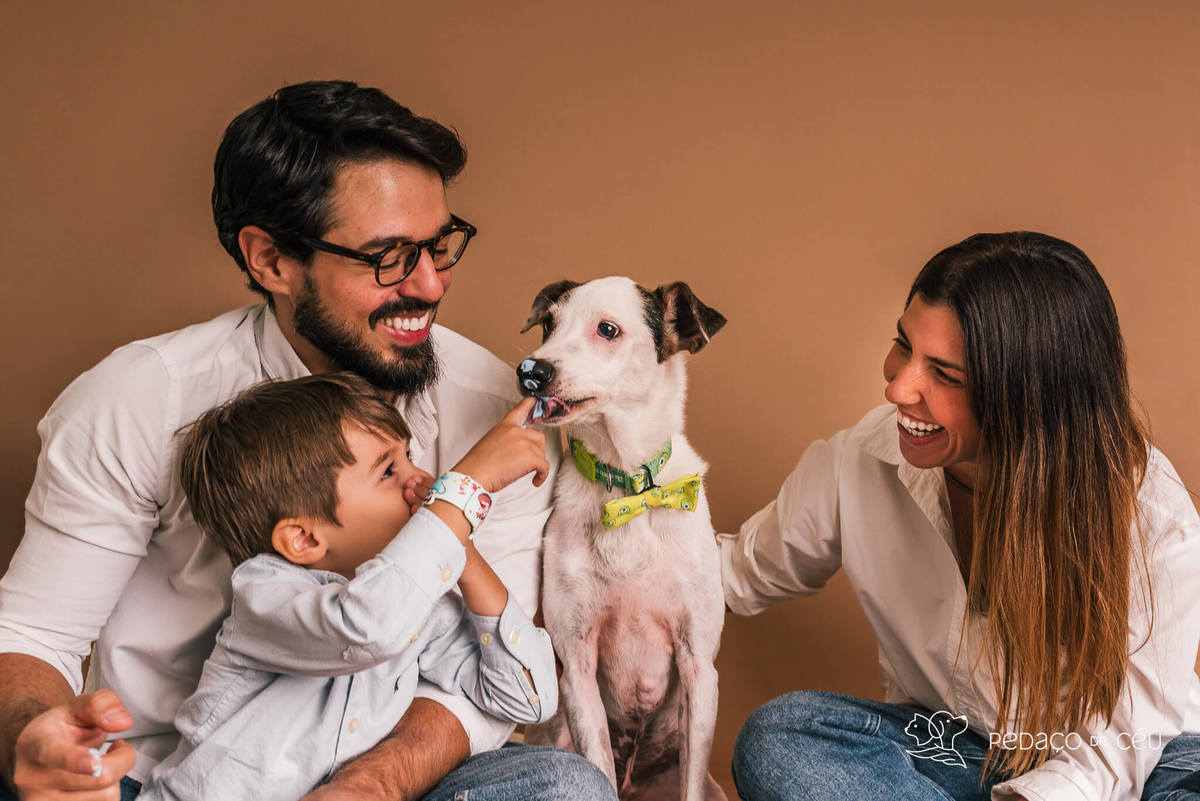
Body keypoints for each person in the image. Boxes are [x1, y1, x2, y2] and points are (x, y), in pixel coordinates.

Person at [0, 80, 614, 801]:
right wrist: (40, 737)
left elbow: (487, 681)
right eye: (387, 255)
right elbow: (35, 631)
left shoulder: (492, 408)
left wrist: (366, 788)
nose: (428, 284)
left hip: (394, 771)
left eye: (439, 246)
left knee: (561, 786)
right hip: (161, 782)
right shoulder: (138, 397)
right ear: (271, 260)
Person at [721, 231, 1200, 801]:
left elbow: (1120, 747)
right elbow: (731, 574)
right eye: (904, 345)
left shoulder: (1148, 509)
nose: (898, 387)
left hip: (1130, 767)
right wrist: (608, 521)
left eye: (945, 375)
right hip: (952, 754)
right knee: (782, 738)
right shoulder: (858, 462)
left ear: (1031, 398)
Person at [138, 372, 558, 801]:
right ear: (304, 540)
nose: (420, 480)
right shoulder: (266, 593)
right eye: (389, 471)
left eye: (409, 455)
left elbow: (527, 699)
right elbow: (365, 626)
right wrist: (464, 492)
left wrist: (462, 549)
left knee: (563, 780)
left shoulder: (419, 608)